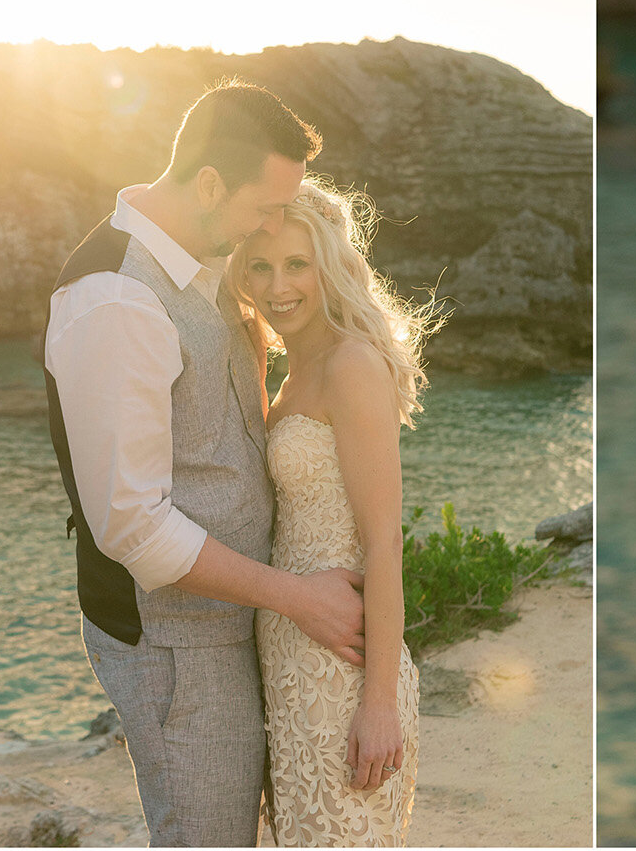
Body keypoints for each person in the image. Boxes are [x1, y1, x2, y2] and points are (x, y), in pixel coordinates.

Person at [44, 81, 366, 846]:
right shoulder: (116, 298)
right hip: (176, 645)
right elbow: (133, 525)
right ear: (211, 183)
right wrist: (296, 597)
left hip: (233, 622)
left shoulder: (196, 266)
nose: (271, 223)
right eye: (264, 206)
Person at [234, 180, 441, 845]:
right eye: (261, 266)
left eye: (297, 263)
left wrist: (379, 702)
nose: (278, 284)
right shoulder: (293, 372)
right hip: (292, 662)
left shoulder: (350, 364)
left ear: (330, 267)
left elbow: (382, 543)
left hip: (343, 674)